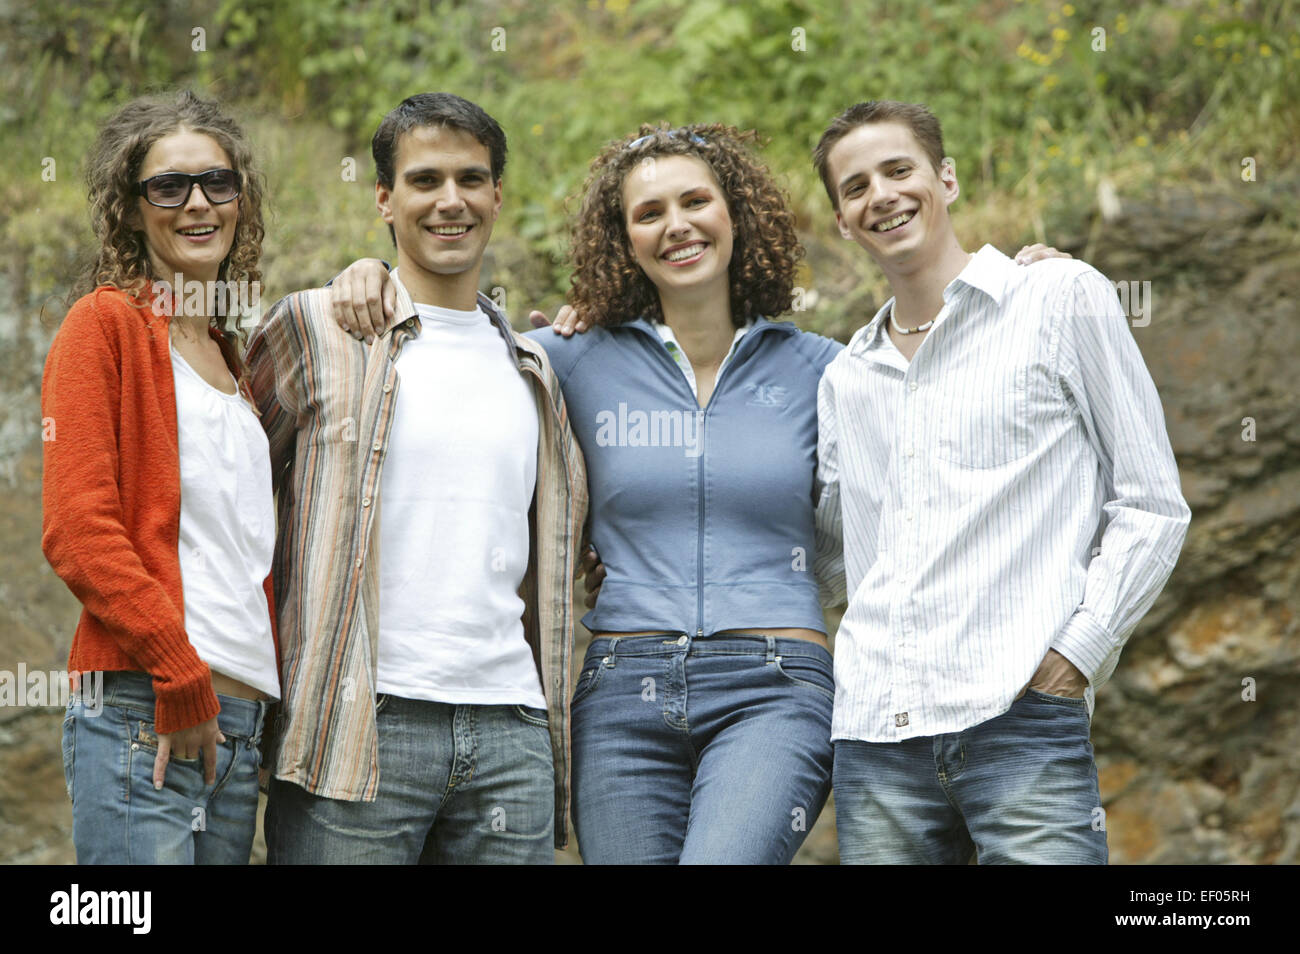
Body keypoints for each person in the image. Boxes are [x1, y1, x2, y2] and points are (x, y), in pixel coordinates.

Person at [335, 122, 1068, 864]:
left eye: (695, 202)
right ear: (622, 240)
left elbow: (915, 495)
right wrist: (367, 273)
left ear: (735, 214)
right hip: (621, 693)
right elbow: (450, 333)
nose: (676, 225)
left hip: (776, 689)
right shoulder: (567, 358)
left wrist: (1025, 278)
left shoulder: (830, 370)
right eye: (648, 214)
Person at [812, 100, 1191, 864]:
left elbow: (1151, 502)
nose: (880, 195)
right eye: (855, 188)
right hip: (877, 739)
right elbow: (832, 556)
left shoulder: (1058, 297)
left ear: (944, 179)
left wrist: (1076, 655)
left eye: (898, 170)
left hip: (1021, 714)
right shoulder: (845, 377)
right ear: (843, 224)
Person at [247, 92, 588, 864]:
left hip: (512, 731)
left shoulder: (538, 368)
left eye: (472, 179)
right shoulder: (315, 328)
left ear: (498, 196)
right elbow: (226, 497)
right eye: (425, 180)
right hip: (355, 727)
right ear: (384, 199)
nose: (451, 200)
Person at [42, 90, 278, 864]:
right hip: (146, 703)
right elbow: (78, 529)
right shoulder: (105, 325)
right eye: (168, 187)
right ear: (133, 209)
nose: (197, 203)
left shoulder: (231, 356)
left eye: (217, 182)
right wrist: (177, 671)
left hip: (235, 725)